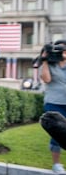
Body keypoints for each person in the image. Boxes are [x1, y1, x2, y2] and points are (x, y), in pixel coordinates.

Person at [40, 40, 66, 174]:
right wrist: (44, 60)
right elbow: (46, 79)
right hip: (54, 103)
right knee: (57, 134)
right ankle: (56, 164)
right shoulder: (50, 64)